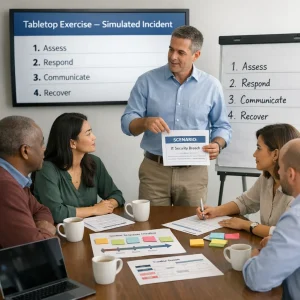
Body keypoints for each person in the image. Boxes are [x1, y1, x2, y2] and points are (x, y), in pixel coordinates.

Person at [121, 25, 232, 206]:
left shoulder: (212, 86)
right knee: (151, 228)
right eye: (171, 49)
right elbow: (127, 124)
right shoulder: (146, 81)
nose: (173, 56)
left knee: (191, 228)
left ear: (196, 55)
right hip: (155, 171)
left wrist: (217, 144)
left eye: (181, 52)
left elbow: (222, 126)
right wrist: (145, 122)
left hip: (194, 173)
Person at [196, 123, 300, 237]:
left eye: (259, 148)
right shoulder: (266, 179)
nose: (254, 154)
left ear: (275, 154)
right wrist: (216, 211)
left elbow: (286, 234)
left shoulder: (294, 189)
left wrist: (247, 225)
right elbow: (245, 202)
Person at [33, 113, 125, 223]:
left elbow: (116, 195)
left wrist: (107, 205)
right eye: (88, 133)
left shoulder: (95, 162)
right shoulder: (46, 169)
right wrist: (94, 210)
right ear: (72, 143)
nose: (94, 137)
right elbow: (56, 213)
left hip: (90, 231)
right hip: (58, 233)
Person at [243, 138, 300, 299]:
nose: (278, 173)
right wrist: (279, 243)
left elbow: (257, 279)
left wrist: (255, 257)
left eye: (280, 168)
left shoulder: (295, 218)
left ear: (291, 174)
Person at [0, 116, 55, 248]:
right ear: (25, 151)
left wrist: (38, 229)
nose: (44, 149)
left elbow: (42, 210)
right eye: (41, 143)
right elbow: (36, 248)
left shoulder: (16, 179)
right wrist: (46, 230)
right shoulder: (5, 186)